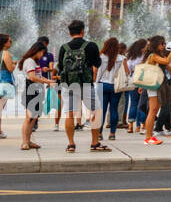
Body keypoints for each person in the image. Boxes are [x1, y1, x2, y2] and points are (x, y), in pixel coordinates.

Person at [57, 20, 104, 153]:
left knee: (70, 114)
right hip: (85, 84)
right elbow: (98, 63)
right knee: (96, 111)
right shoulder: (91, 46)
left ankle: (71, 144)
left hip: (68, 85)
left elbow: (60, 67)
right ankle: (95, 143)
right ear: (83, 31)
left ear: (69, 32)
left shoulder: (63, 47)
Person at [139, 36, 171, 145]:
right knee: (152, 111)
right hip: (153, 86)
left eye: (164, 43)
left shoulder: (155, 55)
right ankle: (148, 137)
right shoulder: (153, 56)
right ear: (156, 45)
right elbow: (166, 61)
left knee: (154, 110)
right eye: (162, 44)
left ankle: (150, 136)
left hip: (156, 85)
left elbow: (165, 64)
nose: (164, 46)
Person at [19, 41, 53, 151]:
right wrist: (46, 81)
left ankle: (28, 141)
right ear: (37, 51)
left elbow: (37, 77)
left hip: (37, 91)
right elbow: (32, 77)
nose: (42, 55)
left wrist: (48, 81)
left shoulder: (35, 62)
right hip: (31, 91)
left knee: (34, 117)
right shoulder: (29, 61)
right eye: (42, 52)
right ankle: (24, 142)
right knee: (29, 118)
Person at [95, 37, 125, 141]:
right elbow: (127, 73)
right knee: (114, 110)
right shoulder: (121, 58)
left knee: (101, 110)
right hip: (115, 86)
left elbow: (97, 72)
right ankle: (112, 133)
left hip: (102, 85)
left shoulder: (101, 57)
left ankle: (99, 133)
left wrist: (96, 83)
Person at [122, 39, 147, 133]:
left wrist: (133, 71)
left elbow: (127, 71)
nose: (147, 48)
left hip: (133, 81)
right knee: (143, 104)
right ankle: (142, 126)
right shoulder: (144, 58)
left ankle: (130, 126)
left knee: (133, 104)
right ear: (142, 47)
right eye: (145, 46)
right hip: (143, 82)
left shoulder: (131, 58)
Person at [0, 34, 14, 139]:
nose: (11, 43)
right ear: (4, 43)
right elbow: (11, 69)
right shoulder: (6, 53)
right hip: (4, 83)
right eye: (9, 41)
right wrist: (14, 64)